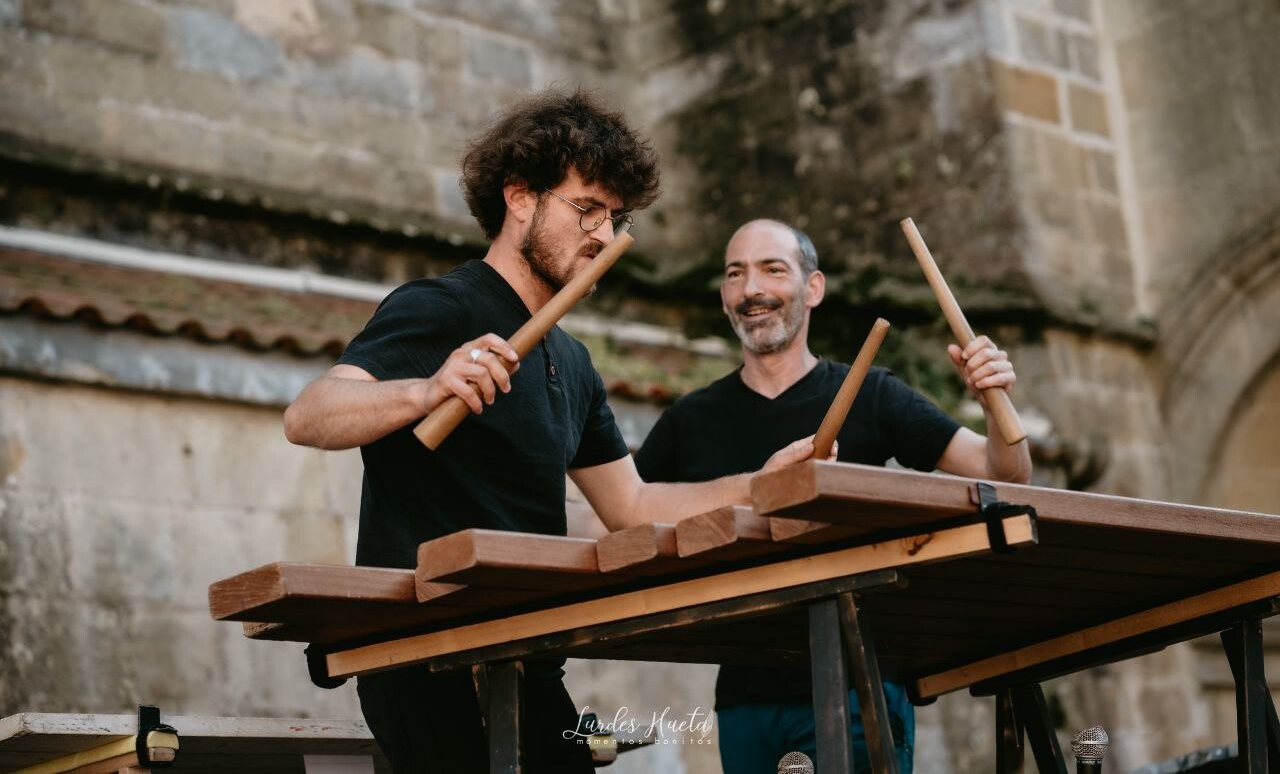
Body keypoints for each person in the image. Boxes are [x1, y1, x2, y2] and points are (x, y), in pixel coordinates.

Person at [282, 92, 818, 773]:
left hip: (528, 654)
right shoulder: (443, 307)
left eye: (614, 217)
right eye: (585, 208)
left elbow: (632, 507)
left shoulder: (572, 361)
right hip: (427, 654)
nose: (601, 233)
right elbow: (310, 414)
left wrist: (759, 485)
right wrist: (424, 389)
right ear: (520, 199)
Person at [634, 219, 1032, 774]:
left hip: (857, 677)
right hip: (744, 691)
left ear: (813, 288)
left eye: (773, 269)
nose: (752, 289)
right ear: (725, 295)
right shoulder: (689, 420)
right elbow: (621, 514)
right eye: (735, 274)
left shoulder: (872, 392)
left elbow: (1005, 475)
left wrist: (992, 402)